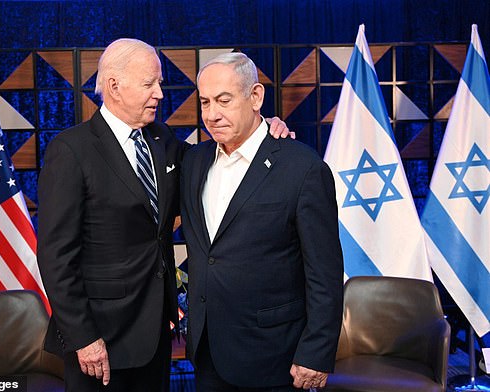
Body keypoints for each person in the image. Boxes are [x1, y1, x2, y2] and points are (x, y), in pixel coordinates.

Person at [37, 39, 290, 392]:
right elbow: (55, 257)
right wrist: (83, 338)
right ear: (114, 86)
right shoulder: (71, 150)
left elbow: (215, 158)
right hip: (100, 340)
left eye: (159, 83)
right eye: (149, 84)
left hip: (155, 333)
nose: (159, 93)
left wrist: (262, 129)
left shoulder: (161, 139)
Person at [181, 52, 344, 391]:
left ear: (255, 97)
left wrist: (316, 352)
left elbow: (324, 273)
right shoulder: (192, 162)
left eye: (224, 100)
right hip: (208, 352)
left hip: (274, 358)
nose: (212, 114)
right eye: (206, 102)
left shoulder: (302, 168)